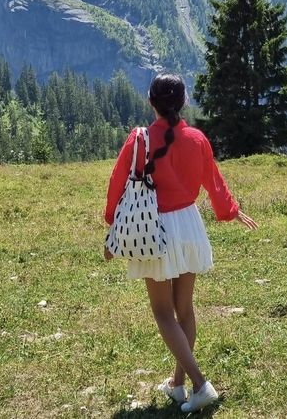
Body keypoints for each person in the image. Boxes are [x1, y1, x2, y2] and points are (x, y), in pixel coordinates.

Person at [104, 73, 258, 414]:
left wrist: (112, 226)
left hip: (153, 229)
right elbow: (214, 182)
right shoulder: (198, 138)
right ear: (184, 101)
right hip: (189, 225)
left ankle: (200, 384)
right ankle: (177, 385)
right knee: (184, 310)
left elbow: (118, 182)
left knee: (162, 312)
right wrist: (231, 211)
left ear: (150, 102)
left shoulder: (139, 138)